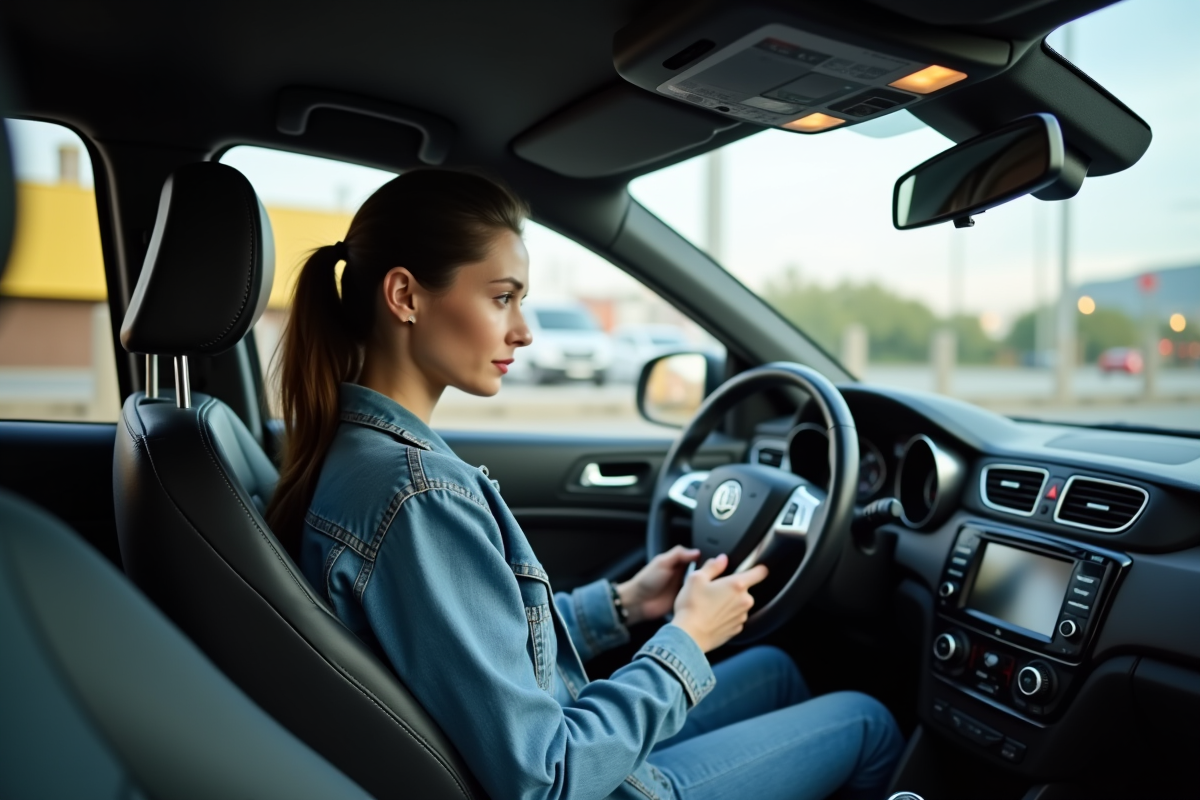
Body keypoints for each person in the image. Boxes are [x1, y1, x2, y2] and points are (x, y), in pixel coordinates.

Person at [265, 169, 903, 800]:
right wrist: (688, 638)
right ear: (405, 296)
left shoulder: (356, 453)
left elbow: (477, 644)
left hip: (560, 751)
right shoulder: (418, 497)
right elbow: (547, 777)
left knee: (777, 671)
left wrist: (624, 604)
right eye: (501, 297)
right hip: (585, 782)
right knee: (867, 722)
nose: (524, 329)